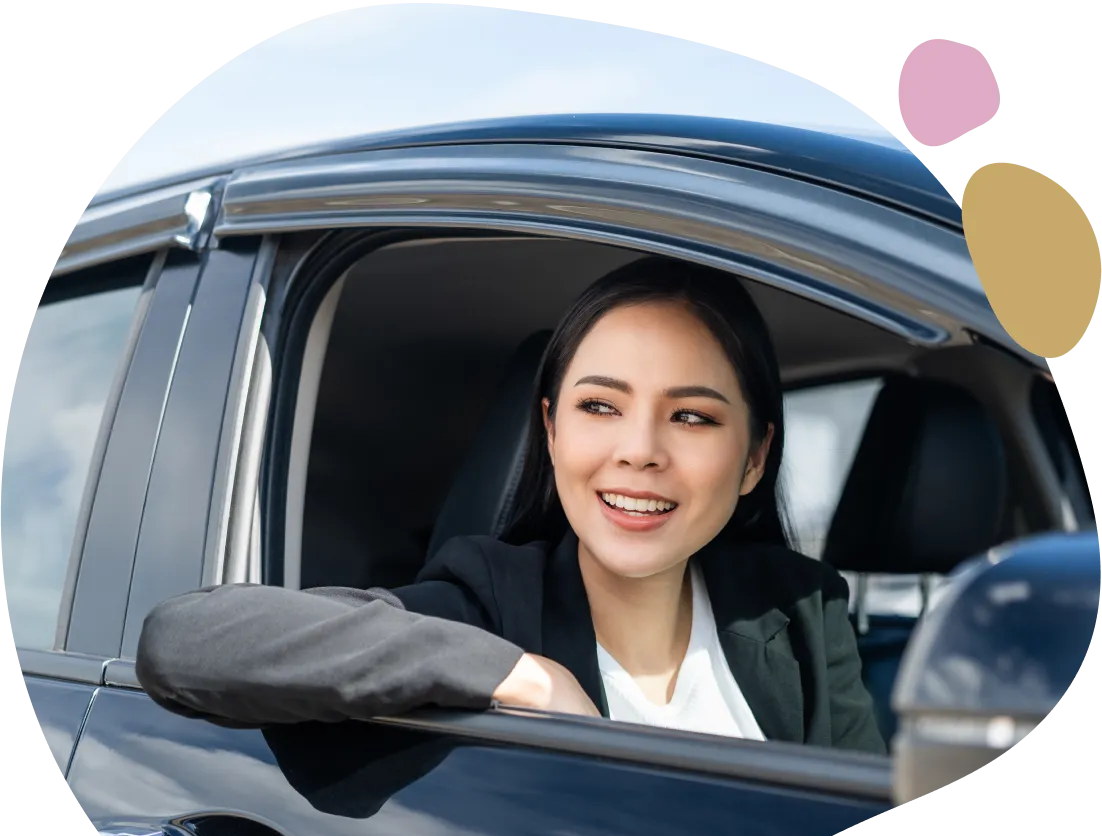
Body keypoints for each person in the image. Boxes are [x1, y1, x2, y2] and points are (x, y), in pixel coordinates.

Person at [136, 256, 887, 755]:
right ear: (553, 430)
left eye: (691, 416)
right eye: (601, 407)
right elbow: (184, 640)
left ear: (754, 457)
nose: (640, 449)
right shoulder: (488, 599)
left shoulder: (800, 613)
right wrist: (525, 677)